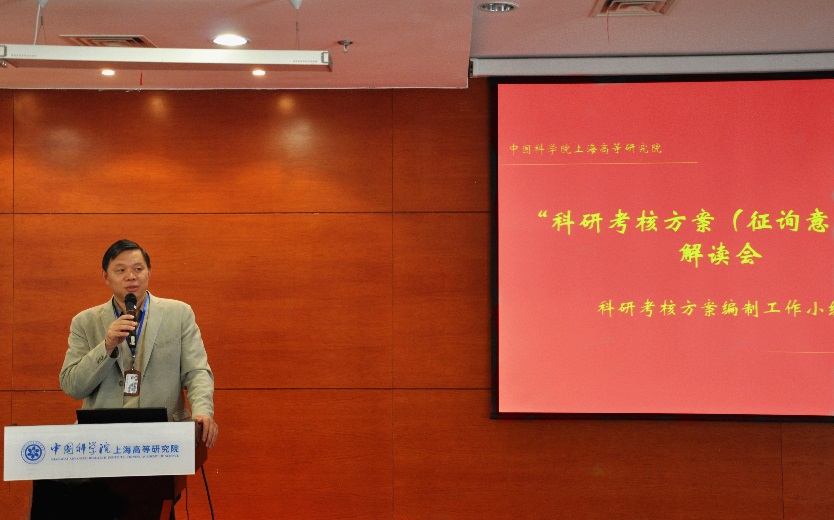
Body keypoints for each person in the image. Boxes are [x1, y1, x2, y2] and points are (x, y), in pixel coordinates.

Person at [59, 239, 218, 449]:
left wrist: (202, 412)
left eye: (138, 269)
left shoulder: (179, 314)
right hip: (102, 439)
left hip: (164, 434)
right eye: (121, 270)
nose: (131, 276)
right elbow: (72, 386)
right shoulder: (85, 322)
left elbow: (196, 372)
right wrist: (106, 347)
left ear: (149, 272)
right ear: (105, 276)